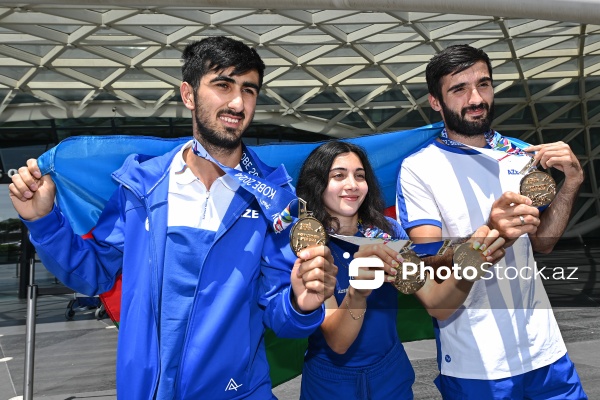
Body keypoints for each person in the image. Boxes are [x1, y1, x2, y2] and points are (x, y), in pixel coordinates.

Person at [9, 36, 338, 400]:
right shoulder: (141, 187)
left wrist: (301, 302)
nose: (237, 102)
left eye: (249, 90)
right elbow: (93, 273)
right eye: (223, 85)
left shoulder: (274, 199)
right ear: (188, 95)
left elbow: (282, 316)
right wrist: (42, 221)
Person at [397, 44, 588, 399]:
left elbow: (542, 242)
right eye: (459, 89)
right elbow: (427, 261)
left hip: (546, 350)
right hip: (477, 361)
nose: (476, 98)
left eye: (483, 85)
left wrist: (572, 183)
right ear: (435, 102)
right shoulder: (418, 169)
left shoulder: (520, 155)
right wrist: (491, 235)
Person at [296, 140, 505, 399]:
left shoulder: (387, 232)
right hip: (331, 382)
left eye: (360, 176)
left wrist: (469, 269)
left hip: (390, 374)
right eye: (339, 175)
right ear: (318, 183)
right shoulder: (309, 243)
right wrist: (357, 293)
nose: (352, 184)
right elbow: (339, 343)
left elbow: (438, 305)